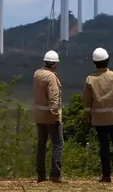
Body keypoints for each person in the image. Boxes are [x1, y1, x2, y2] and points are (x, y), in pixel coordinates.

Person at [82, 47, 113, 184]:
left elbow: (86, 102)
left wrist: (88, 117)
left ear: (94, 62)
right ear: (108, 61)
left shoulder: (90, 79)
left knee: (103, 147)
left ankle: (106, 175)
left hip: (98, 120)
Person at [33, 50, 63, 183]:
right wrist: (55, 115)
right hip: (50, 116)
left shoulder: (37, 74)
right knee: (57, 144)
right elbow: (54, 97)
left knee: (41, 145)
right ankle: (55, 175)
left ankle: (41, 175)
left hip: (39, 116)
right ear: (54, 64)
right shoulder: (51, 77)